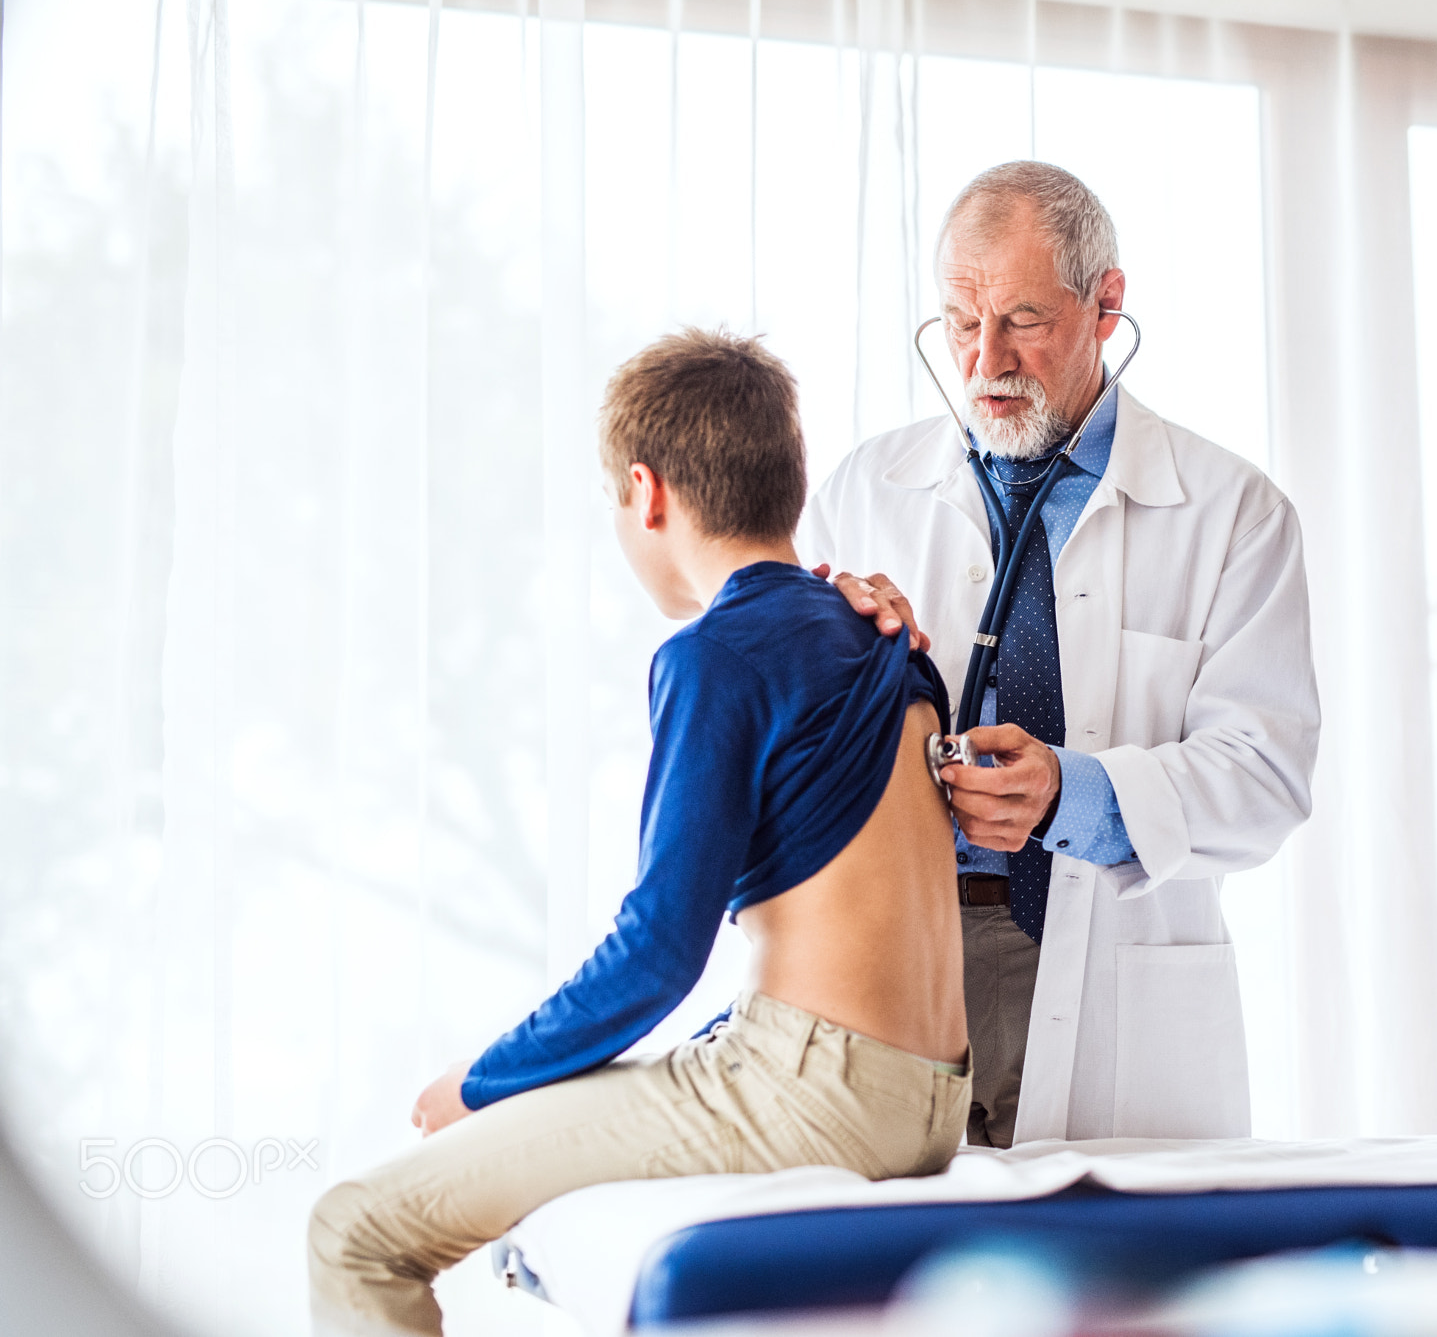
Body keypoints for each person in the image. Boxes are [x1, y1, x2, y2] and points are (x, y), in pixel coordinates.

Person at [307, 329, 969, 1336]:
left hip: (815, 1094)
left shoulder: (715, 654)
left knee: (353, 1230)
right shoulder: (883, 635)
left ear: (647, 493)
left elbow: (657, 952)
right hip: (929, 1100)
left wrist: (481, 1084)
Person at [800, 161, 1320, 1149]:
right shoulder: (869, 491)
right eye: (960, 323)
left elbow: (1264, 778)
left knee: (1114, 1293)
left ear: (1106, 304)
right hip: (903, 959)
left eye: (1023, 321)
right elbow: (786, 749)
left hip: (1110, 958)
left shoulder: (1232, 513)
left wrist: (1071, 796)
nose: (985, 359)